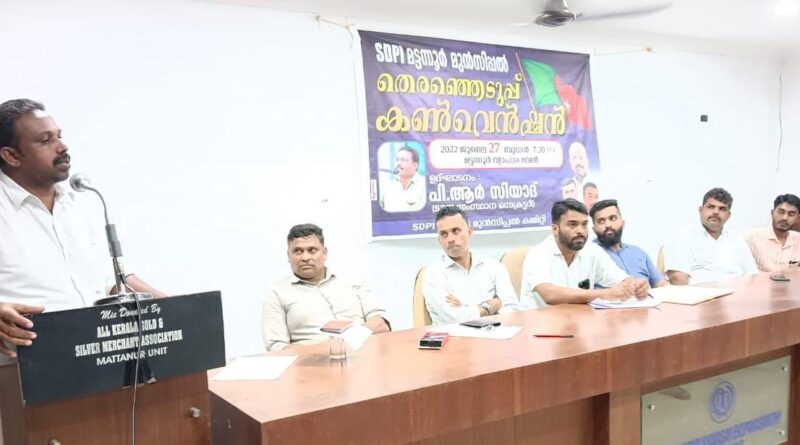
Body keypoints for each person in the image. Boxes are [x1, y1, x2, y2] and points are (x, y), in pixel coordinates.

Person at [0, 98, 163, 361]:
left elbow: (112, 281)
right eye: (45, 140)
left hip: (99, 358)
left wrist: (173, 308)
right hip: (25, 367)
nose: (62, 147)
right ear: (12, 155)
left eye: (59, 136)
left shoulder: (79, 203)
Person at [262, 224, 391, 351]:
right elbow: (277, 347)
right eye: (298, 251)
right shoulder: (277, 294)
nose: (305, 257)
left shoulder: (353, 281)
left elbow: (381, 323)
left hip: (364, 356)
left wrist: (350, 339)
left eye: (312, 250)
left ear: (324, 253)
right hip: (311, 361)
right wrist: (326, 350)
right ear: (289, 256)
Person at [519, 199, 648, 309]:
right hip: (540, 325)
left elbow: (621, 279)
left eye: (584, 224)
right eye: (573, 225)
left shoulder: (593, 251)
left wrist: (636, 286)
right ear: (555, 229)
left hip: (579, 322)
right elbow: (550, 295)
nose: (580, 231)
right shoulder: (537, 254)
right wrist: (605, 294)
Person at [422, 206, 519, 324]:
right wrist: (492, 305)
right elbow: (456, 319)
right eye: (444, 234)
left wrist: (465, 309)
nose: (450, 239)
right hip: (455, 335)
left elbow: (512, 309)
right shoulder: (434, 275)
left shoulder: (493, 266)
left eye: (455, 231)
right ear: (439, 240)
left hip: (497, 333)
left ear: (469, 232)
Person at [664, 187, 757, 285]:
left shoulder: (737, 239)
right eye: (711, 207)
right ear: (700, 210)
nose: (716, 212)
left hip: (737, 292)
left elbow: (752, 277)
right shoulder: (684, 236)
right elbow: (678, 280)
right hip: (700, 293)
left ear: (729, 215)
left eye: (722, 209)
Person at [590, 199, 667, 288]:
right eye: (601, 221)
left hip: (648, 296)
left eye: (612, 218)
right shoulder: (590, 254)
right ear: (594, 230)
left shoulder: (639, 253)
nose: (608, 225)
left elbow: (661, 285)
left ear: (623, 223)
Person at [743, 194, 800, 272]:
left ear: (797, 218)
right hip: (759, 280)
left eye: (791, 214)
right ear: (772, 213)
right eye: (781, 212)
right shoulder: (750, 237)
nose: (785, 218)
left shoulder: (798, 239)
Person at [379, 145, 426, 212]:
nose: (398, 163)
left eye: (403, 160)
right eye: (397, 160)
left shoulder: (425, 185)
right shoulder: (387, 185)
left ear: (415, 165)